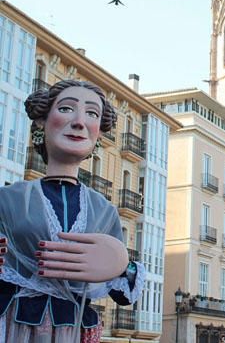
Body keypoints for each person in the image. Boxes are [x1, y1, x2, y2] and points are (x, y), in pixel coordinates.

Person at [0, 79, 145, 341]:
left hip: (75, 327)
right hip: (14, 325)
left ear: (98, 133)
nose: (79, 122)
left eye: (92, 114)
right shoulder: (9, 199)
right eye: (66, 108)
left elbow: (121, 293)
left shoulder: (104, 211)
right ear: (43, 121)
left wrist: (122, 264)